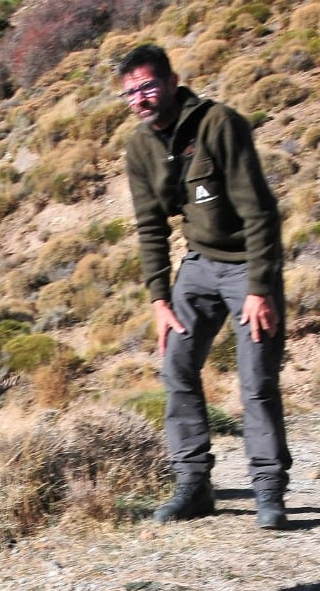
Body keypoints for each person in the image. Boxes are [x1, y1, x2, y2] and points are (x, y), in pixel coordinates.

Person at [118, 44, 292, 528]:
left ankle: (269, 490)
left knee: (256, 378)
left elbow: (260, 211)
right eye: (131, 92)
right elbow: (150, 227)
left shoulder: (220, 123)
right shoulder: (139, 146)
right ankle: (193, 485)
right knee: (177, 362)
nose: (141, 98)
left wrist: (260, 287)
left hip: (247, 265)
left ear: (173, 81)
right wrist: (158, 298)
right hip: (198, 265)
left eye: (149, 86)